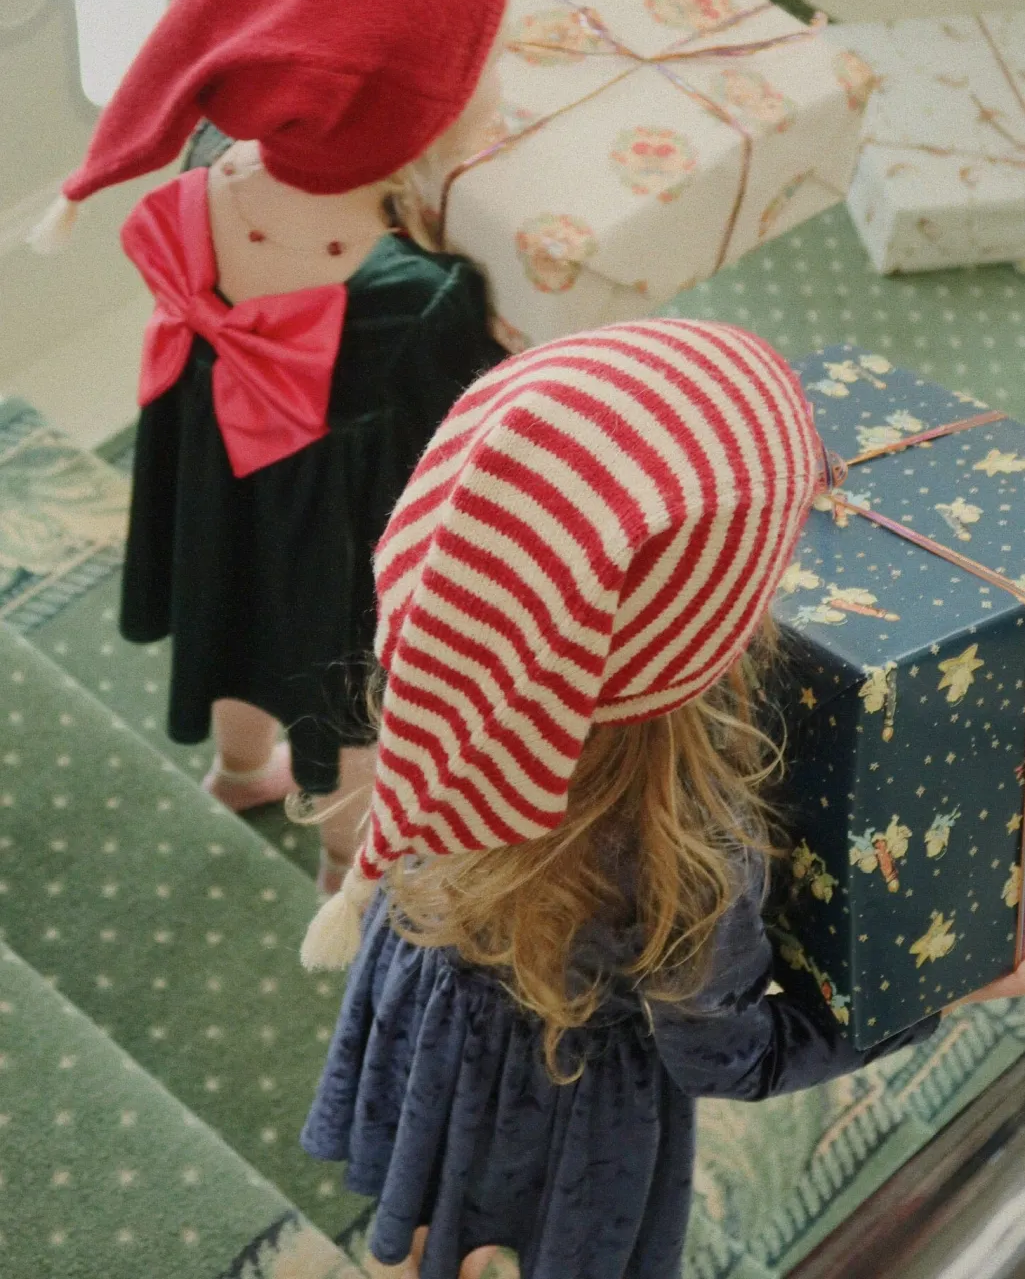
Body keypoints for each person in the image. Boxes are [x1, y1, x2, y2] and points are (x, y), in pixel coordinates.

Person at [298, 318, 1025, 1279]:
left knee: (439, 1186)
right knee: (510, 1218)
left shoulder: (460, 658)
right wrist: (938, 995)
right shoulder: (695, 850)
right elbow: (728, 1057)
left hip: (428, 1000)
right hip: (568, 1105)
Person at [36, 0, 510, 889]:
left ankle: (240, 772)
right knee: (347, 706)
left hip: (216, 488)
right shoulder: (417, 292)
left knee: (229, 623)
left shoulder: (209, 157)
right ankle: (345, 870)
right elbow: (474, 425)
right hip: (338, 540)